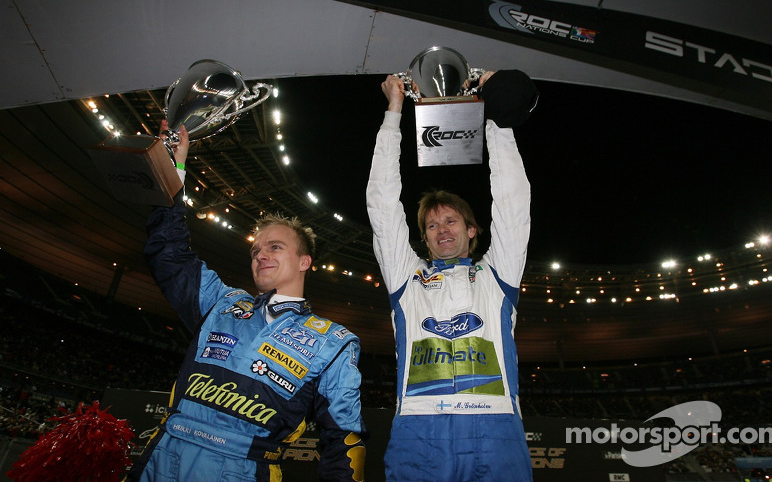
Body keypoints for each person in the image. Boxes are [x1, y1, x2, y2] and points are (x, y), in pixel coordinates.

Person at [127, 121, 367, 481]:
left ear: (305, 262)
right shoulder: (221, 302)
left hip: (242, 469)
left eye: (275, 247)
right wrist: (172, 170)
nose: (260, 255)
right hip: (164, 455)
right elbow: (169, 254)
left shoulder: (333, 342)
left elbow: (344, 441)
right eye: (256, 249)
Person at [366, 70, 538, 481]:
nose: (442, 229)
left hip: (496, 429)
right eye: (431, 225)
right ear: (423, 239)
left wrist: (495, 116)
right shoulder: (406, 278)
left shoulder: (498, 274)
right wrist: (393, 113)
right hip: (419, 429)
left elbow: (513, 200)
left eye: (451, 221)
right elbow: (383, 204)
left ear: (472, 229)